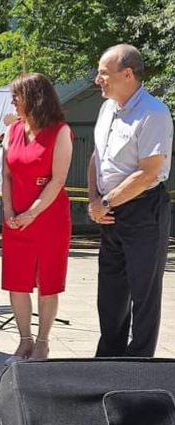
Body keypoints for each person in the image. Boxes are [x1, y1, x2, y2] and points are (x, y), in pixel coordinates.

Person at [88, 44, 173, 357]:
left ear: (127, 74)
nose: (97, 79)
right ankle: (108, 360)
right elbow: (97, 157)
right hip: (109, 211)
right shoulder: (107, 109)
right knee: (110, 295)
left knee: (143, 294)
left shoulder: (153, 112)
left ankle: (138, 365)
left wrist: (106, 202)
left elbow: (148, 173)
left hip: (143, 211)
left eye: (103, 73)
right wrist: (95, 199)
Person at [1, 73, 74, 364]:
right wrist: (9, 211)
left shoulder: (60, 131)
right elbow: (7, 175)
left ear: (34, 97)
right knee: (16, 282)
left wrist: (32, 213)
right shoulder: (12, 131)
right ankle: (24, 342)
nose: (13, 102)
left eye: (16, 96)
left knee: (48, 282)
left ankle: (42, 344)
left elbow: (58, 180)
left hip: (49, 219)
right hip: (15, 219)